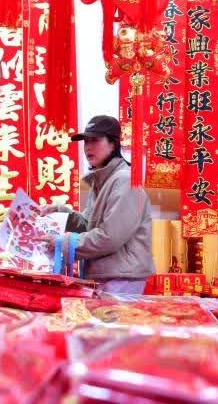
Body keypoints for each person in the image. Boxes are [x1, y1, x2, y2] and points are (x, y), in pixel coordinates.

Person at [44, 115, 154, 294]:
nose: (88, 147)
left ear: (113, 143)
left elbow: (109, 237)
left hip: (122, 277)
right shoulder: (103, 181)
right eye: (86, 141)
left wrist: (64, 243)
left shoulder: (125, 181)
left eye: (95, 140)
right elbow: (89, 225)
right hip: (110, 274)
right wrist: (62, 213)